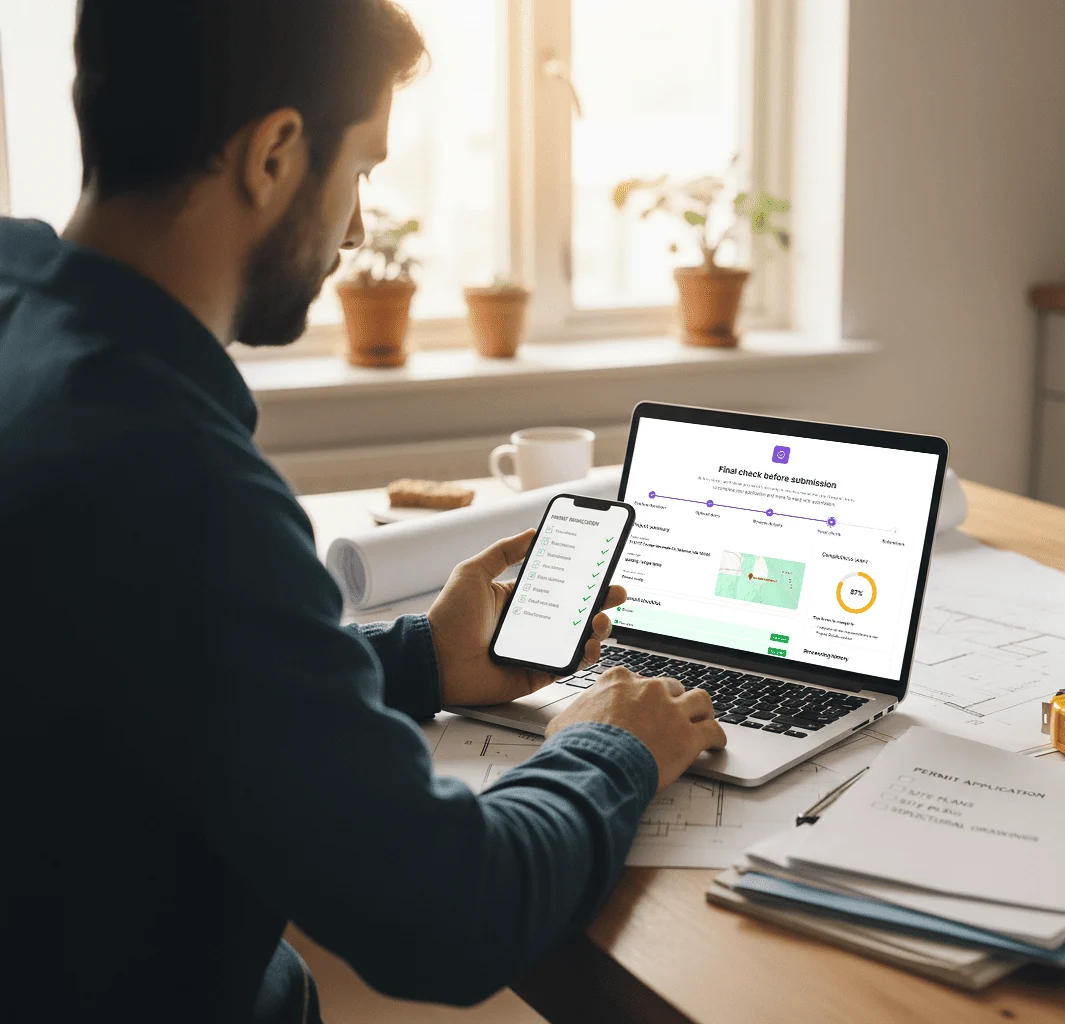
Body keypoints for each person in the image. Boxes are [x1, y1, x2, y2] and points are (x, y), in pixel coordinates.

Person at [0, 2, 725, 1021]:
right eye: (365, 171)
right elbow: (452, 912)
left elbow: (137, 662)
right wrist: (614, 744)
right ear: (275, 154)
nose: (354, 227)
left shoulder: (22, 317)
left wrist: (420, 659)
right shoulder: (171, 474)